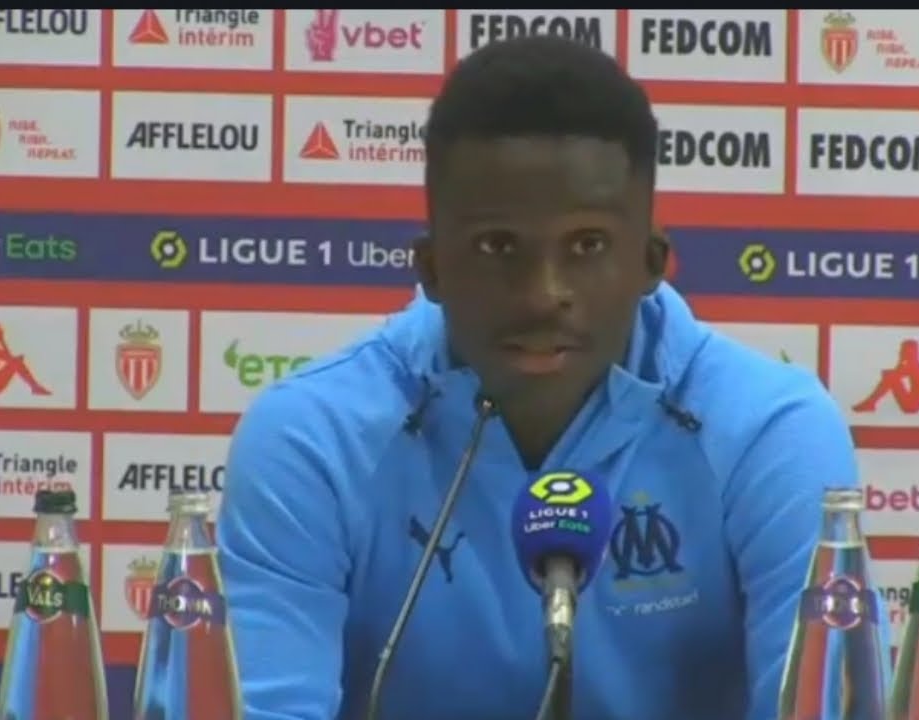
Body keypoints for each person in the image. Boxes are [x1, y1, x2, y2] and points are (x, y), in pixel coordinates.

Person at [217, 34, 860, 720]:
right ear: (431, 267)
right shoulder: (313, 440)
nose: (542, 294)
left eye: (587, 245)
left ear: (651, 262)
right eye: (497, 246)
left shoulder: (769, 433)